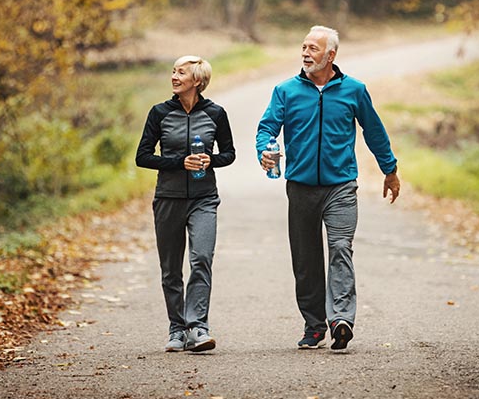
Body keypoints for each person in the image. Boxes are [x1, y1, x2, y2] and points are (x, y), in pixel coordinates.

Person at [256, 25, 401, 351]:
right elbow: (267, 128)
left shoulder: (354, 90)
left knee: (340, 248)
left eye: (313, 48)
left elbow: (374, 131)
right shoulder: (286, 91)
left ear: (331, 55)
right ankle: (314, 325)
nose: (306, 53)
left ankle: (341, 320)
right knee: (305, 261)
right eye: (304, 47)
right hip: (301, 187)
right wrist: (265, 150)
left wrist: (389, 170)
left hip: (341, 187)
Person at [136, 55, 235, 353]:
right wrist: (180, 162)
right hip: (168, 199)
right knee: (170, 269)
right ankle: (176, 329)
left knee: (201, 258)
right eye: (173, 71)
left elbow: (229, 153)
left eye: (181, 73)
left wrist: (211, 159)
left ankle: (198, 327)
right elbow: (142, 157)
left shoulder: (216, 113)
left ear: (197, 80)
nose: (174, 77)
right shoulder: (159, 113)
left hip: (204, 198)